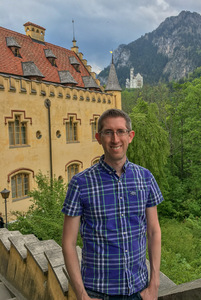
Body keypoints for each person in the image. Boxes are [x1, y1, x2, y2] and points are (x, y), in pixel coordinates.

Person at [62, 109, 163, 300]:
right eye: (108, 132)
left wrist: (154, 284)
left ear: (130, 136)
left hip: (139, 290)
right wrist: (82, 295)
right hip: (98, 293)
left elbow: (153, 231)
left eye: (120, 131)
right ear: (99, 138)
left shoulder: (145, 178)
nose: (115, 139)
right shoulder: (80, 183)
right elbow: (68, 243)